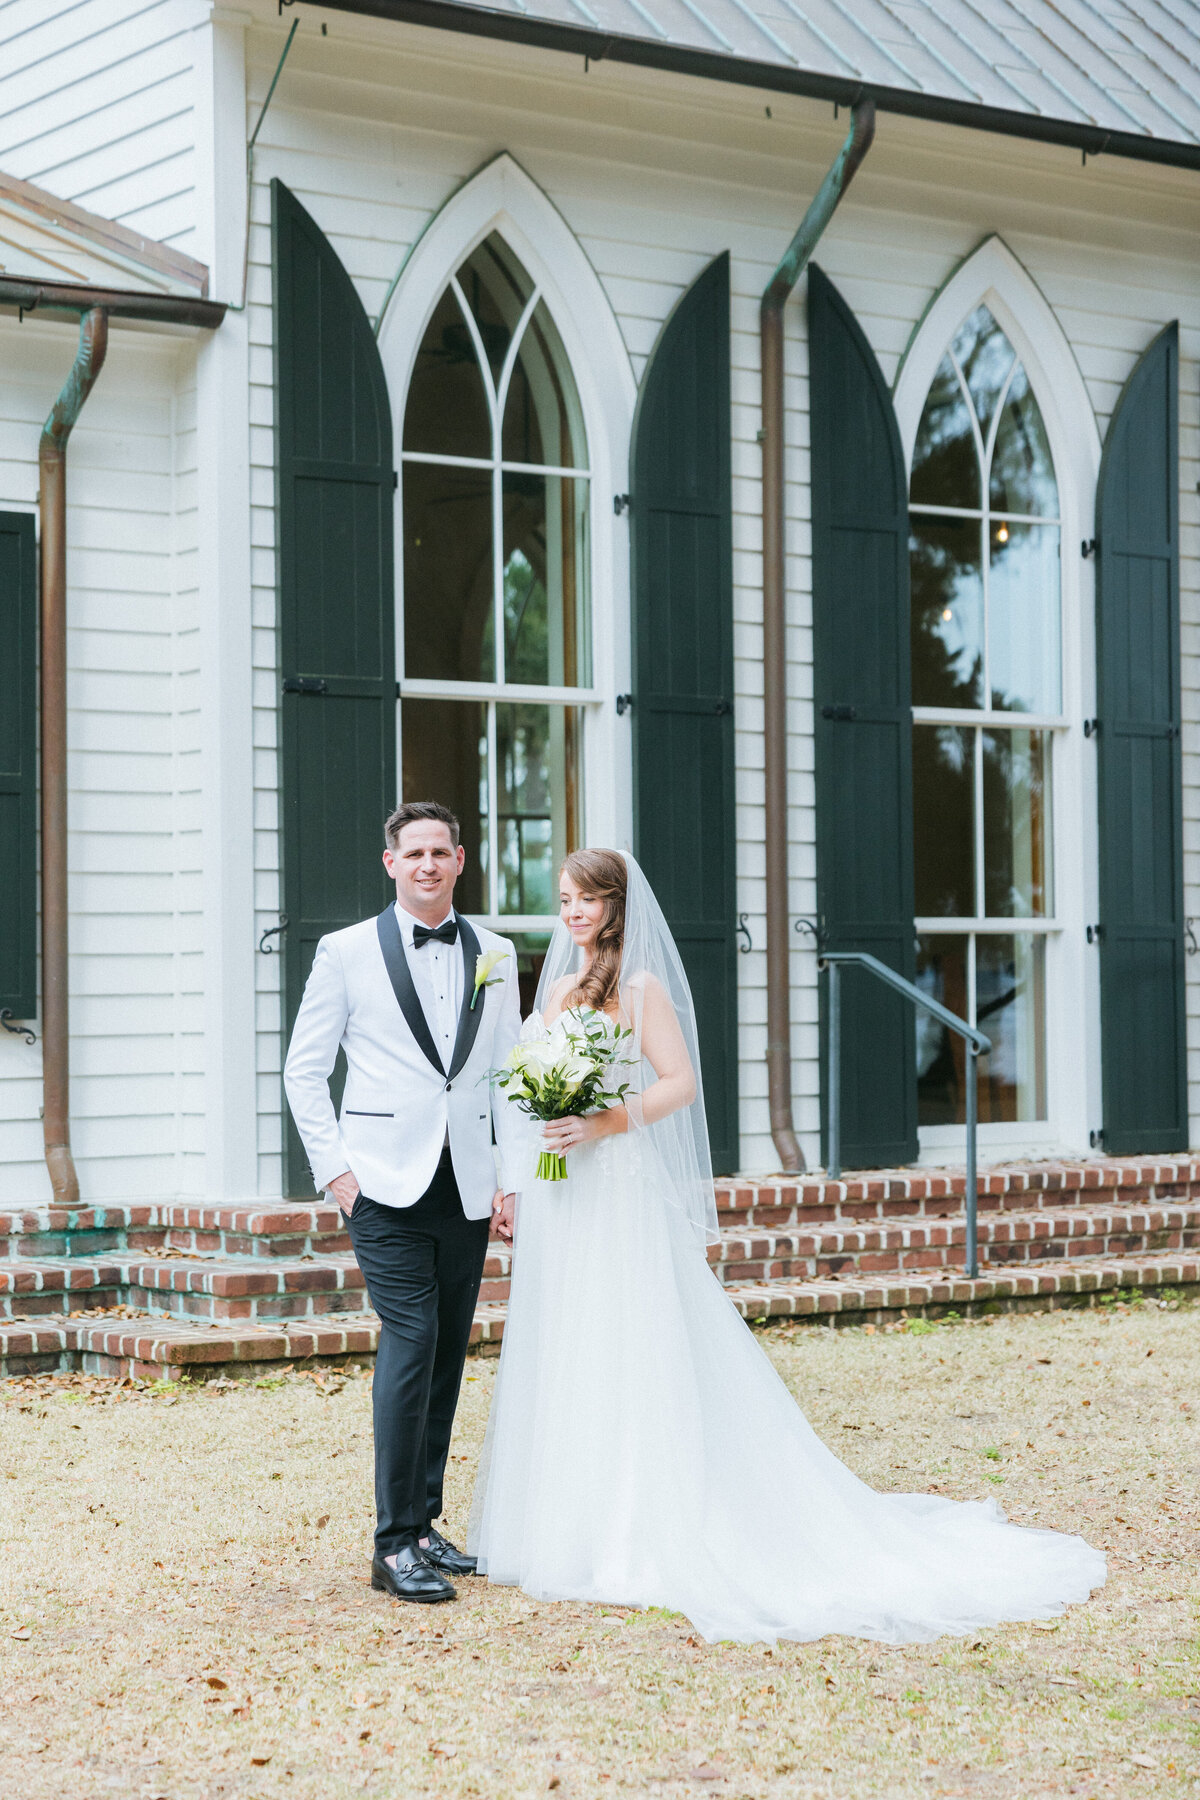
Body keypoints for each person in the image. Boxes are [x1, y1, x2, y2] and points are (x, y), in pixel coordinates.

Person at [471, 848, 1106, 1645]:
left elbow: (679, 1084)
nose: (570, 913)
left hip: (619, 1190)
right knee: (573, 1342)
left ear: (615, 906)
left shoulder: (641, 989)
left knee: (633, 1339)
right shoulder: (557, 988)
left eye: (584, 901)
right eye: (563, 900)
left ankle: (638, 1525)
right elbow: (531, 1085)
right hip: (567, 1197)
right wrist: (532, 1166)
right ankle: (566, 1521)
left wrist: (601, 1121)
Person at [285, 801, 523, 1605]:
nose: (427, 864)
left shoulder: (494, 951)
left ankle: (424, 1523)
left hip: (467, 1183)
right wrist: (337, 1174)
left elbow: (508, 1072)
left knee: (449, 1350)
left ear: (461, 860)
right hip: (380, 1185)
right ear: (390, 863)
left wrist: (510, 1178)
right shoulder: (345, 951)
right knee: (412, 1339)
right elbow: (303, 1071)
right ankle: (392, 1544)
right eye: (412, 852)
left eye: (440, 851)